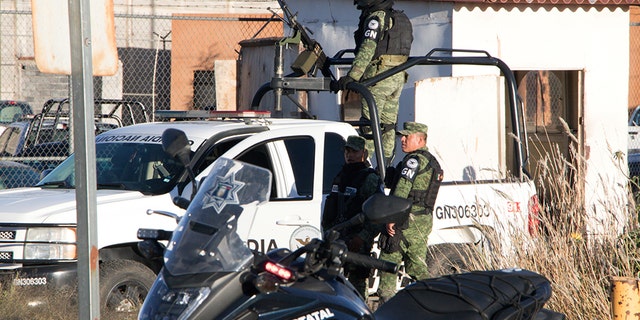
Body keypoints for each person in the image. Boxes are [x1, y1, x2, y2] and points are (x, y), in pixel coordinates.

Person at [337, 0, 413, 166]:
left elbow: (367, 48)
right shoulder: (398, 17)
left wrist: (352, 76)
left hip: (379, 78)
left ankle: (366, 167)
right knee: (387, 126)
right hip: (397, 76)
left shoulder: (376, 18)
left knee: (370, 126)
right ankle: (384, 169)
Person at [376, 121, 443, 303]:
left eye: (407, 136)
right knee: (417, 268)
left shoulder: (413, 161)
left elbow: (402, 189)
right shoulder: (431, 161)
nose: (402, 140)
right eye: (402, 136)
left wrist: (392, 217)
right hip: (422, 221)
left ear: (420, 139)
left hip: (405, 221)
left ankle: (387, 310)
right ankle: (438, 300)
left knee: (388, 266)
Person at [322, 135, 383, 299]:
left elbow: (377, 215)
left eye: (354, 151)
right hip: (337, 238)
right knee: (332, 285)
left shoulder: (370, 178)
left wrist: (362, 238)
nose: (349, 155)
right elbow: (330, 209)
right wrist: (328, 234)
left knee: (357, 287)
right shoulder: (341, 176)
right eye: (347, 151)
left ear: (363, 153)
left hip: (357, 242)